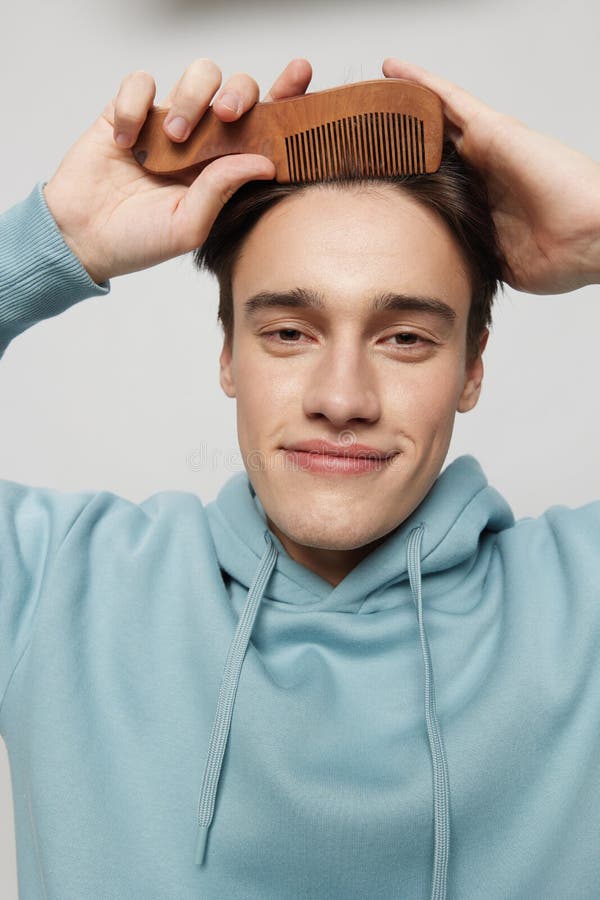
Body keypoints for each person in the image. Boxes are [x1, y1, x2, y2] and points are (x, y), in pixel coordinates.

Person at [0, 55, 599, 900]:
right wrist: (55, 240)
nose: (341, 398)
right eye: (289, 332)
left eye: (405, 339)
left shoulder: (583, 608)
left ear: (471, 368)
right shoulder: (57, 585)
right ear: (227, 354)